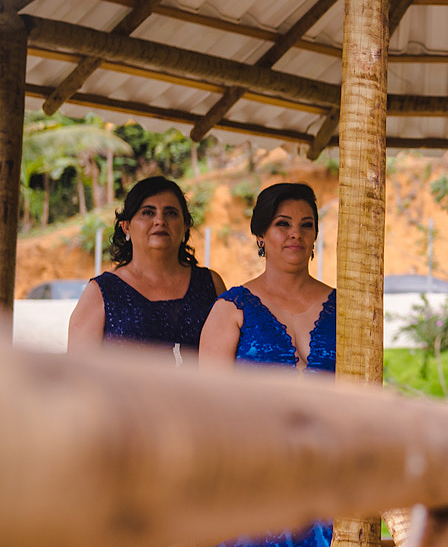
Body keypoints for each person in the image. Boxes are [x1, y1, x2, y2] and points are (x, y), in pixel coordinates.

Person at [200, 182, 335, 547]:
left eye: (306, 225)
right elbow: (210, 413)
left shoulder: (346, 308)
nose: (296, 233)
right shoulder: (231, 310)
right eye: (283, 224)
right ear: (261, 234)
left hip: (333, 488)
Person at [68, 175, 225, 363]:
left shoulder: (210, 284)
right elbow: (78, 375)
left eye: (171, 213)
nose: (160, 220)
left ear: (185, 227)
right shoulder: (100, 293)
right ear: (126, 227)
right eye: (148, 213)